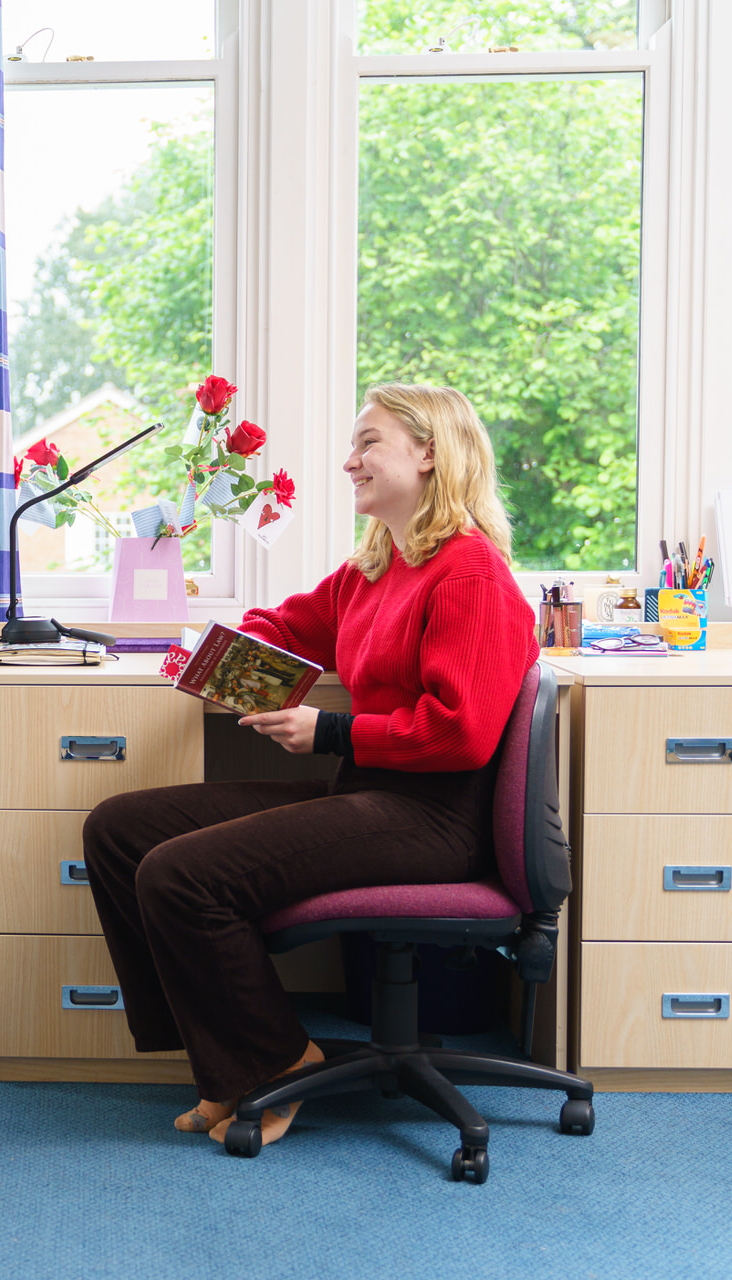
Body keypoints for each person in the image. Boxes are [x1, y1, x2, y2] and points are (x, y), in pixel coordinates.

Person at [82, 383, 534, 1147]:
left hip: (433, 819)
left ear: (430, 453)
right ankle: (221, 1059)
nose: (349, 461)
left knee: (182, 874)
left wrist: (328, 731)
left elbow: (460, 734)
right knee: (121, 829)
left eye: (369, 443)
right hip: (368, 794)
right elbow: (288, 626)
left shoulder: (469, 575)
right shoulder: (376, 568)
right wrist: (231, 657)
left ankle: (275, 1062)